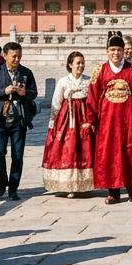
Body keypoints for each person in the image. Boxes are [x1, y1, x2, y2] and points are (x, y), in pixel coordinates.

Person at [91, 33, 132, 203]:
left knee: (130, 152)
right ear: (107, 51)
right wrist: (91, 119)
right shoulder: (100, 71)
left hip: (128, 121)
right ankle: (113, 191)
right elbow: (93, 97)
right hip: (107, 123)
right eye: (112, 50)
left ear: (124, 51)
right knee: (110, 155)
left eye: (119, 50)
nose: (115, 53)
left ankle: (131, 186)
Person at [0, 41, 39, 200]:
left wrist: (25, 93)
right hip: (0, 119)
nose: (17, 59)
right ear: (5, 55)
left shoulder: (26, 72)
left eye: (19, 56)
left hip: (19, 119)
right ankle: (2, 181)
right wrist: (4, 91)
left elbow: (34, 92)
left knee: (17, 155)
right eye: (14, 56)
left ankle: (13, 188)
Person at [42, 51, 95, 196]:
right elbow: (56, 102)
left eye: (82, 63)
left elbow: (93, 102)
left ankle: (85, 184)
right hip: (67, 120)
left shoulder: (88, 81)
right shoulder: (63, 82)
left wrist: (91, 120)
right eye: (78, 63)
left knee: (85, 150)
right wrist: (53, 122)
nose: (81, 66)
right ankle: (69, 186)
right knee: (68, 150)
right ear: (70, 64)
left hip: (84, 120)